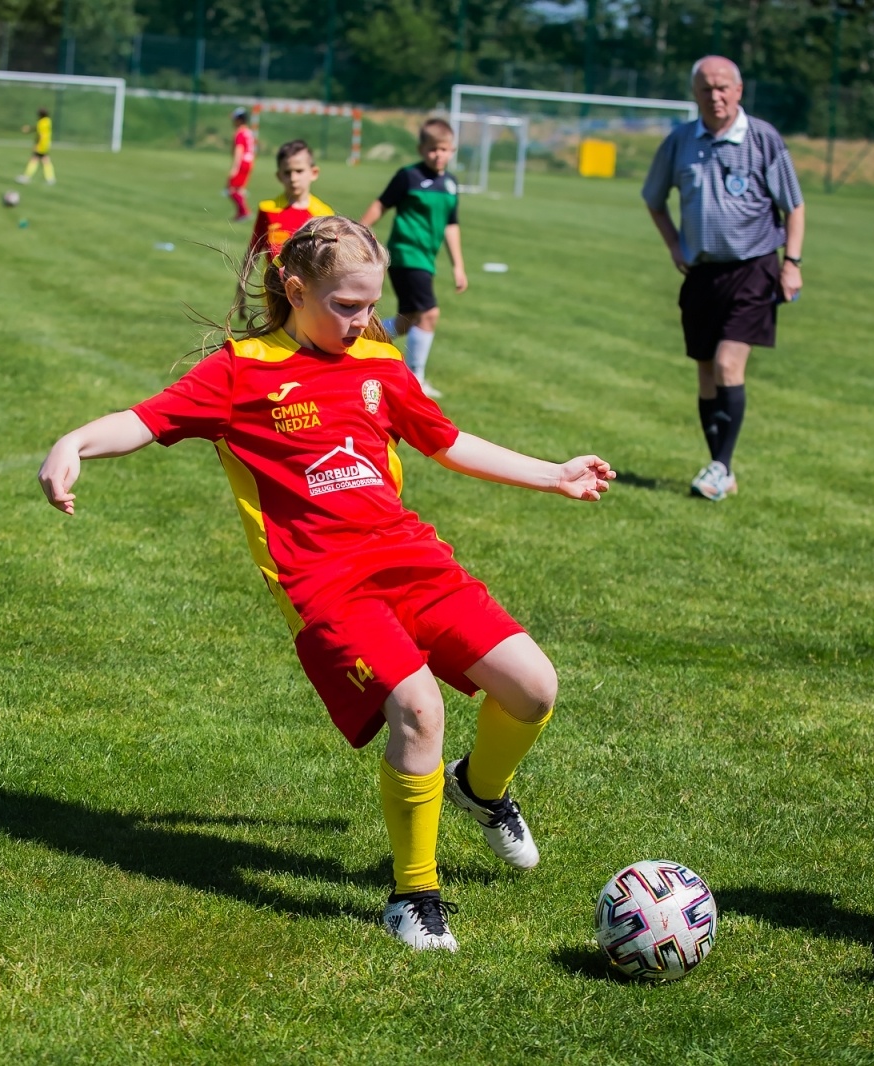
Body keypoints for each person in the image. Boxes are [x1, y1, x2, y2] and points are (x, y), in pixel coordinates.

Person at [37, 216, 616, 952]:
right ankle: (414, 896)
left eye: (370, 305)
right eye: (345, 305)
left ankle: (481, 790)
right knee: (419, 707)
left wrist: (553, 474)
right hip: (325, 584)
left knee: (534, 687)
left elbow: (446, 440)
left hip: (409, 558)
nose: (362, 320)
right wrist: (75, 441)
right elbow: (145, 421)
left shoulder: (378, 361)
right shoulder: (240, 371)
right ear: (295, 288)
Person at [642, 55, 805, 502]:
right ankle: (721, 469)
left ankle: (720, 466)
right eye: (705, 88)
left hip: (754, 268)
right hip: (701, 274)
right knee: (707, 373)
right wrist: (675, 246)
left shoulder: (763, 139)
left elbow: (794, 205)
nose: (715, 96)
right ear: (694, 93)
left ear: (738, 91)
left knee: (730, 364)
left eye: (722, 87)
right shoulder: (679, 142)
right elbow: (653, 199)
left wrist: (791, 263)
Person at [359, 119, 468, 400]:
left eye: (443, 149)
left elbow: (451, 224)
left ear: (452, 150)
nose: (438, 154)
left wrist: (458, 265)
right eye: (432, 149)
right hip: (406, 254)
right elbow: (381, 203)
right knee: (429, 313)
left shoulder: (451, 184)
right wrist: (358, 231)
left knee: (409, 320)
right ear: (421, 149)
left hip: (426, 259)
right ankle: (416, 380)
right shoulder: (408, 176)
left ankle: (361, 337)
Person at [248, 140, 336, 261]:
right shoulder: (267, 209)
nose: (293, 178)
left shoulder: (324, 215)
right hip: (272, 280)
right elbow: (253, 251)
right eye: (287, 172)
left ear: (314, 173)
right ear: (279, 176)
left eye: (299, 171)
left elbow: (328, 259)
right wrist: (242, 279)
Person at [225, 107, 257, 222]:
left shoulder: (239, 133)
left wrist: (234, 168)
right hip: (249, 162)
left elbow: (239, 150)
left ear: (240, 120)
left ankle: (244, 212)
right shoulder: (248, 132)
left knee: (231, 189)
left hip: (242, 163)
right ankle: (240, 213)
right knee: (239, 189)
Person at [16, 108, 54, 186]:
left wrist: (36, 145)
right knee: (45, 160)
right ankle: (50, 178)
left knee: (34, 159)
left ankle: (26, 177)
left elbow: (40, 134)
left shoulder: (40, 122)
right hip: (46, 144)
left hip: (41, 144)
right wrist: (30, 129)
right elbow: (38, 128)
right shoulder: (48, 121)